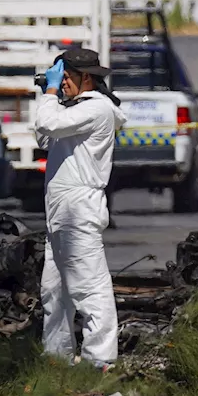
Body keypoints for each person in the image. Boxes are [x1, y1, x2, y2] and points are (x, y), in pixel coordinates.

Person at [35, 47, 127, 369]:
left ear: (86, 77)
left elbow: (49, 124)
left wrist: (48, 93)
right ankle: (57, 360)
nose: (61, 84)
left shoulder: (97, 109)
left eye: (65, 77)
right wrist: (51, 97)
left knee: (89, 289)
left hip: (78, 210)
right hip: (60, 211)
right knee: (54, 294)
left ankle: (100, 362)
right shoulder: (73, 110)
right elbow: (44, 137)